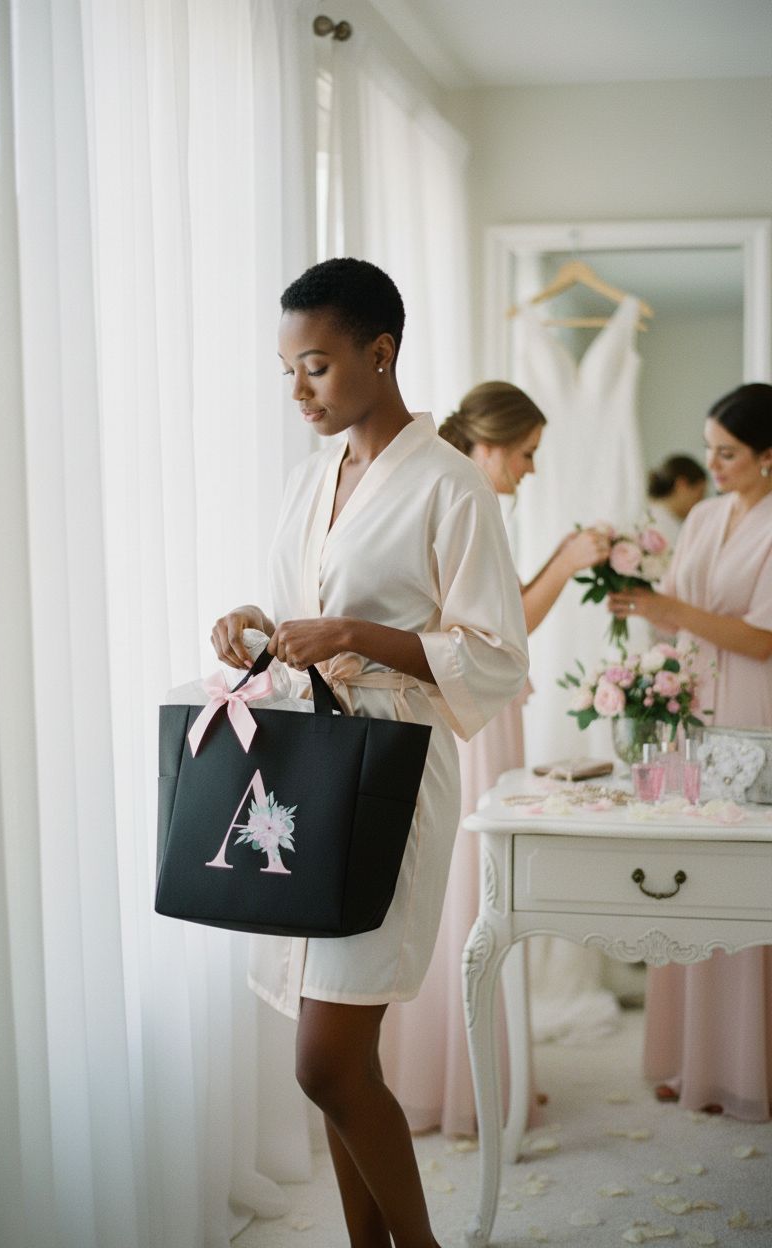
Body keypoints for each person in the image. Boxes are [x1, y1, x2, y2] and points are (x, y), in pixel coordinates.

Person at [210, 260, 529, 1248]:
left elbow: (496, 658)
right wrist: (250, 628)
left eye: (314, 366)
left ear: (379, 353)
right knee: (343, 1065)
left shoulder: (451, 488)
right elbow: (292, 625)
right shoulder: (316, 479)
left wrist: (356, 633)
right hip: (310, 778)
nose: (298, 391)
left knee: (326, 1064)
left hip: (390, 782)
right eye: (286, 372)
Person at [380, 381, 613, 1137]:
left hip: (485, 710)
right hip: (468, 717)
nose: (531, 470)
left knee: (481, 896)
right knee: (470, 895)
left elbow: (503, 606)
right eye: (527, 454)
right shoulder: (460, 497)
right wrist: (572, 559)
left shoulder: (463, 496)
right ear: (489, 444)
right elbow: (510, 627)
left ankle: (483, 1077)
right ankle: (462, 1084)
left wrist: (561, 559)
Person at [609, 382, 772, 1121]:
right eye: (708, 449)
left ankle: (748, 1068)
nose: (712, 464)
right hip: (694, 710)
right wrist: (641, 615)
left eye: (728, 453)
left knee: (745, 882)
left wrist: (673, 611)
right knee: (690, 872)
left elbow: (765, 639)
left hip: (754, 707)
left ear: (769, 457)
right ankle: (692, 1059)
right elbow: (670, 612)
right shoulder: (703, 515)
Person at [647, 453, 708, 545]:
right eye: (700, 494)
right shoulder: (660, 528)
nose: (701, 502)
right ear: (681, 485)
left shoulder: (658, 518)